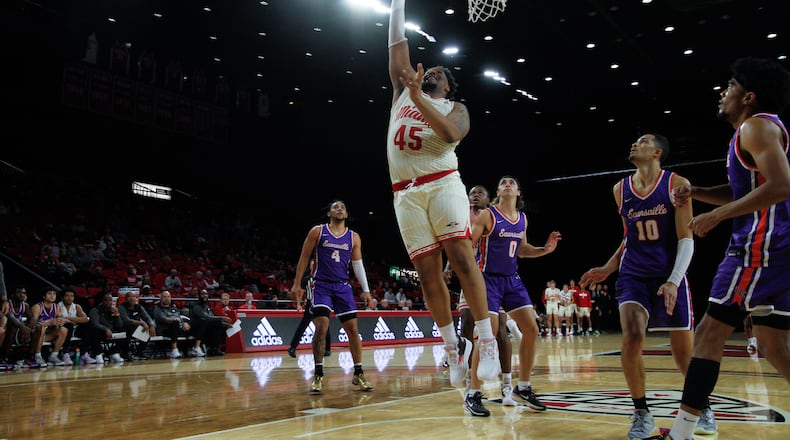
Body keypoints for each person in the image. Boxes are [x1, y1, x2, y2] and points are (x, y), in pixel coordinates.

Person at [661, 57, 790, 440]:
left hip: (761, 247)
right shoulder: (757, 130)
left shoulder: (756, 126)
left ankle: (682, 433)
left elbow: (782, 185)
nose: (723, 92)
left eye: (730, 86)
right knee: (772, 343)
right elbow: (748, 191)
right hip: (777, 246)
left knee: (708, 333)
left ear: (748, 96)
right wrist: (697, 193)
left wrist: (716, 218)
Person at [386, 0, 499, 390]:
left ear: (448, 87)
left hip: (443, 183)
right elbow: (397, 42)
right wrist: (396, 3)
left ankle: (487, 342)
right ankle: (453, 347)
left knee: (463, 260)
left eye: (440, 73)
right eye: (428, 68)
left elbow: (451, 135)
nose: (432, 69)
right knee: (427, 275)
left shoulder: (457, 107)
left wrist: (420, 98)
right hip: (405, 195)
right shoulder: (403, 91)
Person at [579, 132, 709, 439]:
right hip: (633, 276)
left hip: (668, 275)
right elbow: (629, 236)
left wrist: (674, 281)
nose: (635, 143)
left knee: (683, 356)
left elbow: (686, 239)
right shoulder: (619, 189)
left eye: (644, 141)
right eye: (635, 140)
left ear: (658, 152)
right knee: (633, 336)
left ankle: (701, 407)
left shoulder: (676, 183)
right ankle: (641, 413)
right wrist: (610, 267)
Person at [466, 175, 561, 417]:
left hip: (511, 279)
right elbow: (468, 244)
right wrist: (469, 274)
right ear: (499, 191)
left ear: (518, 192)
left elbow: (521, 249)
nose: (507, 184)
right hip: (487, 278)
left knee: (531, 328)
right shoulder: (488, 215)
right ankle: (473, 393)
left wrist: (544, 250)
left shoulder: (522, 219)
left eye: (512, 183)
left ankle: (524, 387)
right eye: (503, 183)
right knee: (487, 333)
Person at [289, 200, 373, 394]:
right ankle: (318, 373)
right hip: (321, 285)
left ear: (346, 213)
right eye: (335, 207)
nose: (340, 209)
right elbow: (304, 257)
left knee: (353, 330)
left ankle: (358, 371)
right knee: (321, 327)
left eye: (343, 207)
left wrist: (366, 290)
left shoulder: (354, 237)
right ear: (328, 213)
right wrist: (297, 283)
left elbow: (358, 264)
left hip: (343, 286)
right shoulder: (317, 231)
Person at [288, 263, 331, 358]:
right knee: (303, 326)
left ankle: (327, 349)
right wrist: (298, 304)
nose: (313, 266)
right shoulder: (307, 279)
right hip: (310, 303)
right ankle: (293, 347)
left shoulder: (324, 278)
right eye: (312, 265)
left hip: (321, 303)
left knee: (325, 326)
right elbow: (300, 292)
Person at [29, 288, 68, 366]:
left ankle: (53, 356)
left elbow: (58, 320)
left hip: (47, 335)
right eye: (49, 293)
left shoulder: (56, 307)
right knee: (41, 329)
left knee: (64, 330)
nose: (52, 296)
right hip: (34, 335)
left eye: (54, 294)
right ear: (44, 296)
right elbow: (33, 324)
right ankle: (37, 356)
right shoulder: (37, 307)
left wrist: (60, 322)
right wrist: (48, 323)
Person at [190, 289, 232, 356]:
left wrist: (226, 325)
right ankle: (196, 348)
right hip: (195, 328)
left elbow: (212, 318)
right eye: (203, 294)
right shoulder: (195, 305)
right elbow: (205, 317)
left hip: (206, 329)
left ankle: (213, 348)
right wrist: (222, 318)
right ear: (199, 295)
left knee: (219, 324)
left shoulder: (207, 307)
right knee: (203, 321)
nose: (205, 295)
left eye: (206, 294)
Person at [58, 287, 94, 364]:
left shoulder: (77, 306)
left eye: (72, 296)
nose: (69, 298)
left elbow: (86, 319)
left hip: (75, 329)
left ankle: (84, 353)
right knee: (68, 326)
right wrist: (73, 321)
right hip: (61, 330)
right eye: (67, 296)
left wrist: (69, 319)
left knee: (87, 326)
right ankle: (65, 354)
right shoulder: (58, 306)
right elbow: (60, 320)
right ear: (62, 297)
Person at [118, 292, 157, 360]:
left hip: (135, 328)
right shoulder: (121, 307)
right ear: (125, 299)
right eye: (129, 297)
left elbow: (147, 317)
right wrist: (141, 323)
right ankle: (125, 353)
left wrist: (151, 325)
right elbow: (126, 320)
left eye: (133, 296)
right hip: (124, 328)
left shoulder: (138, 307)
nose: (132, 298)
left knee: (147, 333)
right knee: (129, 331)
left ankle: (139, 352)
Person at [153, 290, 191, 359]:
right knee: (175, 323)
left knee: (193, 323)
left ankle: (196, 348)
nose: (166, 298)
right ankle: (174, 350)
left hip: (177, 328)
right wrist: (174, 320)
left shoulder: (174, 308)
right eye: (164, 297)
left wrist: (184, 323)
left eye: (168, 296)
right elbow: (162, 319)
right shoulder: (157, 308)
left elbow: (180, 317)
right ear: (161, 298)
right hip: (165, 330)